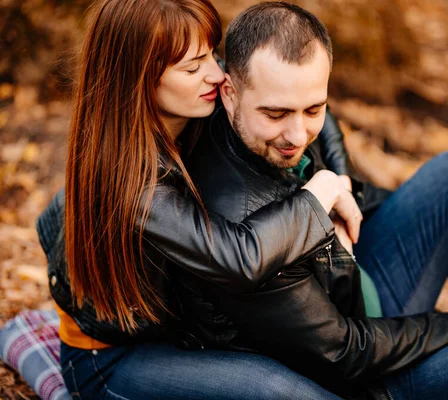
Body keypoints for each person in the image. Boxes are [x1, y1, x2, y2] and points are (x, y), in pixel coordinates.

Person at [176, 2, 448, 399]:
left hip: (355, 283)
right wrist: (447, 327)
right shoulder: (238, 221)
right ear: (228, 93)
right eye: (276, 114)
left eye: (313, 108)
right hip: (369, 365)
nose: (297, 134)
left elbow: (342, 182)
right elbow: (342, 352)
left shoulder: (267, 118)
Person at [40, 0, 368, 398]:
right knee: (279, 391)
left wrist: (342, 177)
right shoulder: (137, 185)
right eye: (193, 68)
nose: (216, 73)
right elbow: (237, 258)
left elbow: (300, 98)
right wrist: (322, 191)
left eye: (211, 54)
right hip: (112, 357)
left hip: (176, 326)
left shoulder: (195, 106)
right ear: (140, 79)